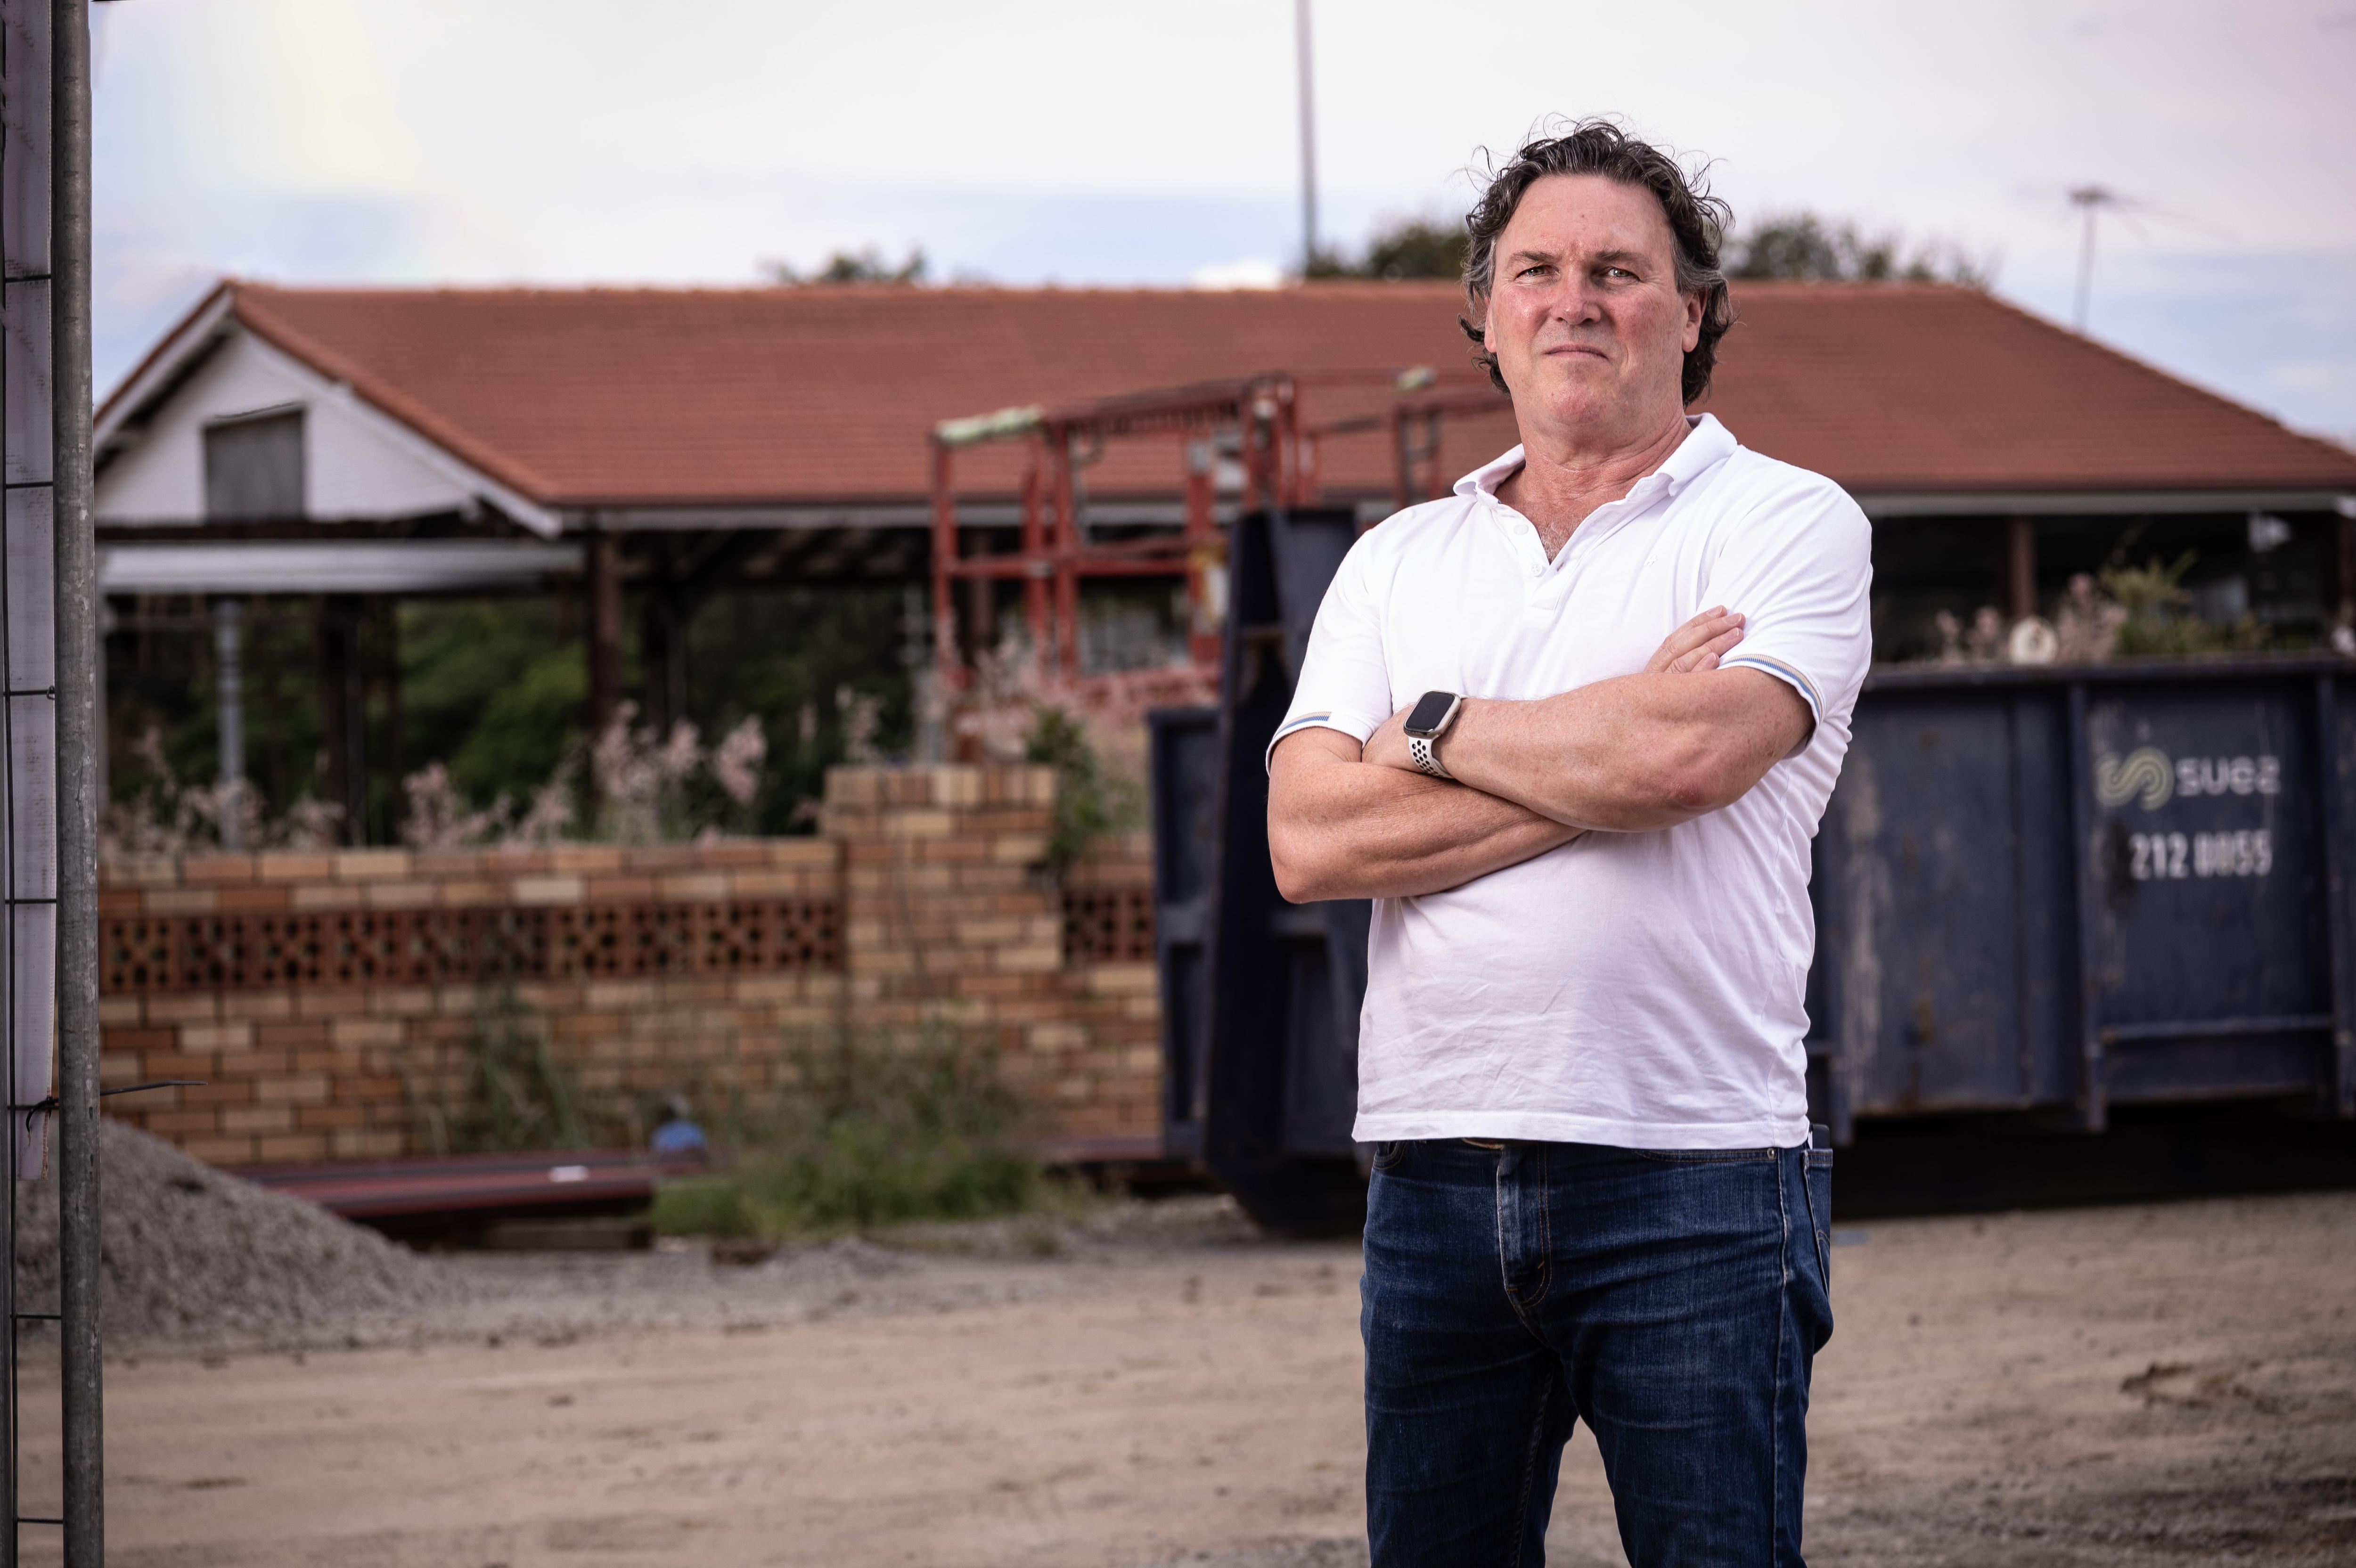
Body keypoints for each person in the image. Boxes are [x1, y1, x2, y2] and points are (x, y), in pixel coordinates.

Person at [1264, 121, 1872, 1567]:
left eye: (1618, 269)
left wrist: (1425, 727)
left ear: (1695, 309)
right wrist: (1592, 756)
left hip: (1695, 1175)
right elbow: (1306, 841)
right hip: (1429, 1171)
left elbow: (1687, 754)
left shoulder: (1785, 523)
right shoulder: (1398, 557)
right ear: (1485, 312)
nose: (1572, 298)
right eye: (1534, 268)